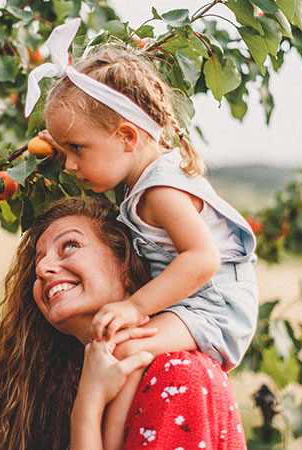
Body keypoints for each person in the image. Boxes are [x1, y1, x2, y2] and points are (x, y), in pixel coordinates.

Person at [23, 18, 259, 447]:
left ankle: (111, 440)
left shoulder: (161, 189)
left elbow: (203, 259)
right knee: (122, 350)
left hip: (215, 309)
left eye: (76, 149)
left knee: (124, 348)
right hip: (193, 303)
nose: (70, 165)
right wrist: (67, 137)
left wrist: (134, 307)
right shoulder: (140, 181)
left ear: (128, 137)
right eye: (64, 150)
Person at [0, 196, 246, 449]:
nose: (42, 269)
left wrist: (88, 403)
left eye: (70, 245)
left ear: (126, 266)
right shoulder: (63, 389)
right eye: (38, 261)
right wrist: (89, 397)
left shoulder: (178, 373)